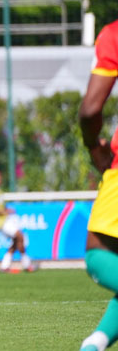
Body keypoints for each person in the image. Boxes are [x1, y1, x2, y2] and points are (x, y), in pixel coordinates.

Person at [78, 19, 118, 351]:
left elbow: (90, 110)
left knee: (99, 253)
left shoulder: (114, 34)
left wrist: (95, 147)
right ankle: (96, 343)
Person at [0, 167, 37, 273]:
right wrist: (2, 212)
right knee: (20, 236)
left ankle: (6, 265)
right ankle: (26, 263)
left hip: (3, 219)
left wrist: (6, 209)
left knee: (16, 239)